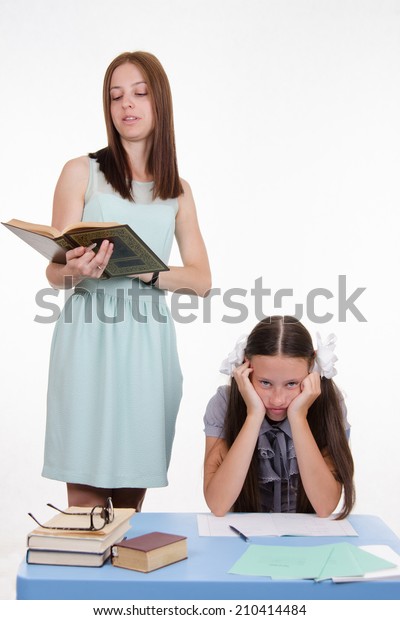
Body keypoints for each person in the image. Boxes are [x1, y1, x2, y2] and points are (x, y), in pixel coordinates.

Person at [43, 51, 211, 510]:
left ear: (160, 103)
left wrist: (148, 270)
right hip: (87, 340)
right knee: (85, 504)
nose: (127, 105)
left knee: (128, 513)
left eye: (139, 93)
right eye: (116, 96)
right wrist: (73, 270)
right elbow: (54, 270)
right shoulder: (82, 172)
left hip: (146, 344)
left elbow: (201, 279)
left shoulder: (177, 188)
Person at [203, 316, 355, 518]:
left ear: (312, 372)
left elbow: (325, 506)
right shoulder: (224, 403)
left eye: (292, 384)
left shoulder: (328, 403)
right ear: (245, 370)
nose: (277, 400)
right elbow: (218, 504)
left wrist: (298, 417)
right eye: (265, 383)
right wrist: (253, 415)